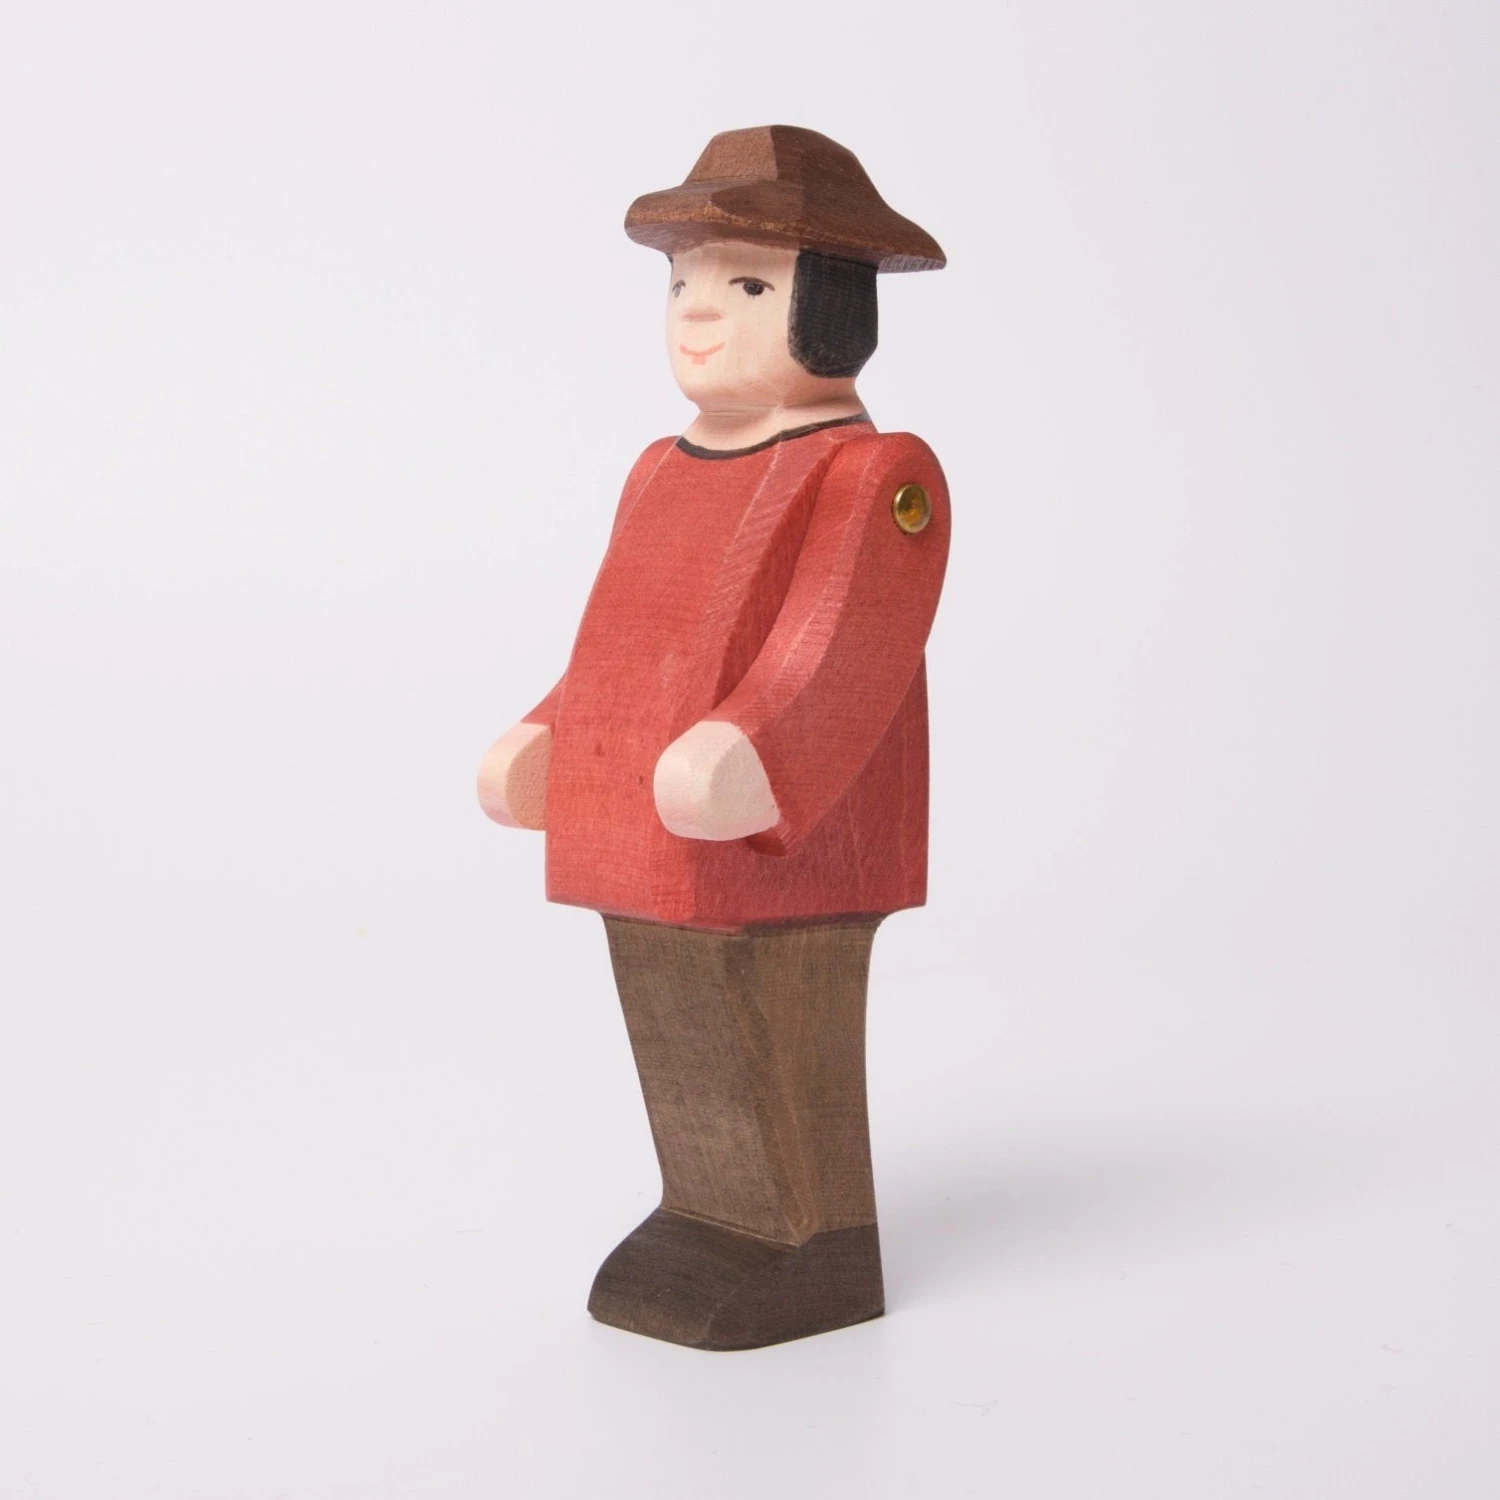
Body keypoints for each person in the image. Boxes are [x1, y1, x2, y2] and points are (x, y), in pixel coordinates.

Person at [478, 125, 950, 1349]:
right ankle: (707, 1209)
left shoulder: (874, 473)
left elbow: (845, 648)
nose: (696, 310)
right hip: (644, 812)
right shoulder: (658, 468)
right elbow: (618, 640)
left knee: (768, 1016)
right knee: (672, 1015)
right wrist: (547, 736)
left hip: (790, 831)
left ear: (835, 305)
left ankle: (808, 1237)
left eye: (746, 285)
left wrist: (752, 752)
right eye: (682, 279)